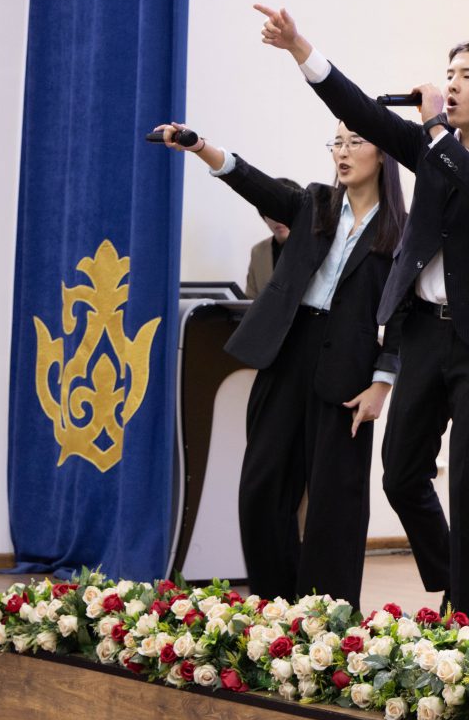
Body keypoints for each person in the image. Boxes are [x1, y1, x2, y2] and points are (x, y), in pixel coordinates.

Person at [253, 3, 469, 628]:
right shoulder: (428, 143)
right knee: (400, 474)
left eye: (466, 75)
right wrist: (301, 48)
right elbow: (361, 110)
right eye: (449, 74)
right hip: (422, 331)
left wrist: (438, 133)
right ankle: (452, 580)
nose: (451, 84)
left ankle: (467, 625)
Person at [153, 120, 406, 606]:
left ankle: (326, 616)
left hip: (350, 366)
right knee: (261, 487)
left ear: (384, 154)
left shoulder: (401, 229)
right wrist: (200, 146)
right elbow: (252, 181)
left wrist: (382, 383)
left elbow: (402, 312)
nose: (342, 152)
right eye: (336, 142)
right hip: (288, 352)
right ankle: (275, 607)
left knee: (336, 501)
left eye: (355, 142)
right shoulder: (315, 203)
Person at [244, 192, 295, 299]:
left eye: (283, 211)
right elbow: (250, 298)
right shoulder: (258, 251)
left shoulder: (313, 248)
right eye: (270, 212)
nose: (278, 219)